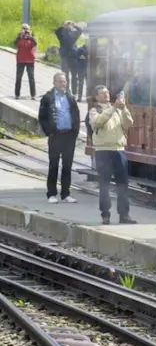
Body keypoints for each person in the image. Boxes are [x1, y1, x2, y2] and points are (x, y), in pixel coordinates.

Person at [88, 86, 135, 225]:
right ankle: (105, 214)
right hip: (103, 151)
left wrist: (124, 108)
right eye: (103, 93)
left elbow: (128, 123)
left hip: (119, 149)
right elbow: (98, 122)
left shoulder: (117, 110)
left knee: (123, 184)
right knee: (104, 184)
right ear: (97, 97)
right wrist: (114, 107)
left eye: (107, 92)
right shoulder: (95, 110)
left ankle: (124, 214)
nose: (107, 95)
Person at [38, 73, 80, 204]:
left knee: (67, 165)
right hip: (55, 135)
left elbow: (76, 114)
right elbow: (42, 117)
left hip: (69, 136)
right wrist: (49, 132)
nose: (64, 84)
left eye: (65, 81)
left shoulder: (70, 97)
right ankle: (51, 193)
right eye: (61, 81)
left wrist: (75, 131)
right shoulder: (48, 98)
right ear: (54, 83)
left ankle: (66, 193)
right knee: (54, 165)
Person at [54, 21, 83, 89]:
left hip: (73, 56)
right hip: (64, 56)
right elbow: (57, 31)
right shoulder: (61, 34)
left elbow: (80, 30)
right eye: (67, 25)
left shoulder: (74, 33)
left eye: (69, 25)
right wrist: (63, 25)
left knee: (74, 75)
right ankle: (66, 90)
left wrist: (74, 25)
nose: (68, 26)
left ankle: (74, 91)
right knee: (65, 75)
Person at [14, 23, 37, 101]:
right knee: (18, 77)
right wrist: (19, 36)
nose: (25, 30)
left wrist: (30, 37)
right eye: (23, 28)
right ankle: (17, 94)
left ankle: (33, 95)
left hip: (30, 60)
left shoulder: (32, 37)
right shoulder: (19, 37)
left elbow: (35, 44)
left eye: (26, 29)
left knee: (31, 77)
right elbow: (15, 44)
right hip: (20, 60)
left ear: (29, 29)